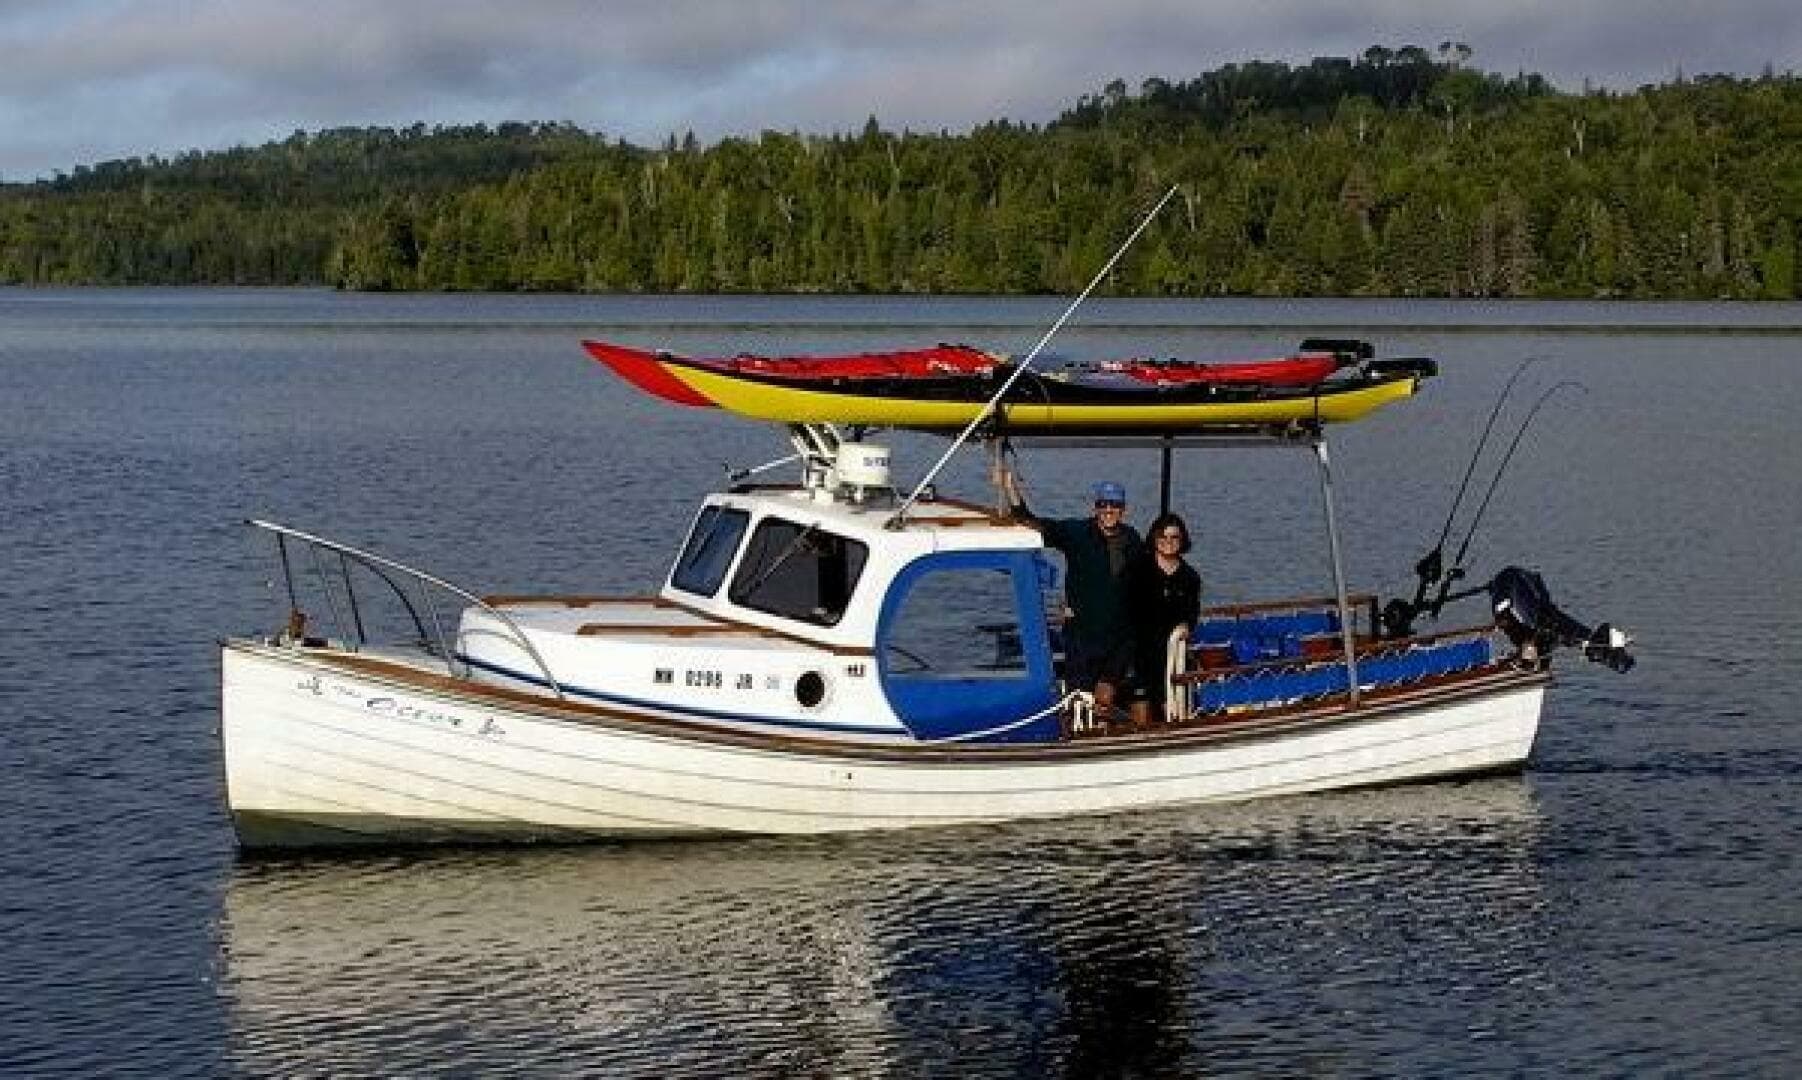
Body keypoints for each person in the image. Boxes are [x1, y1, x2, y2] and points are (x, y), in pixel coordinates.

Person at [1003, 472, 1143, 722]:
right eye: (1103, 504)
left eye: (1115, 505)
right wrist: (1011, 490)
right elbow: (1032, 522)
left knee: (1104, 698)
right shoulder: (1077, 532)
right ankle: (1078, 740)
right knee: (1077, 702)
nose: (1109, 510)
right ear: (1095, 507)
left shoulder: (1132, 539)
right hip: (1082, 636)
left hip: (1120, 637)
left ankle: (1105, 742)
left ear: (1124, 509)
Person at [1122, 512, 1203, 727]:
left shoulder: (1190, 578)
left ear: (1182, 540)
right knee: (1140, 712)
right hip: (1139, 653)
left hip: (1171, 655)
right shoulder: (1138, 570)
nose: (1168, 542)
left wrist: (1186, 626)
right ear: (1154, 539)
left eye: (1174, 537)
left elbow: (1191, 614)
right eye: (1163, 537)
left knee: (1172, 710)